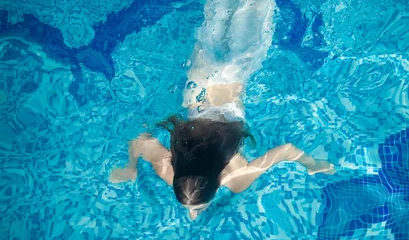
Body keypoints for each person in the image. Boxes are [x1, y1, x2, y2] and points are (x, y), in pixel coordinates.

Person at [110, 82, 335, 220]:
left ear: (217, 184)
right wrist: (131, 168)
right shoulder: (168, 168)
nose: (193, 212)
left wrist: (312, 164)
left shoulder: (237, 180)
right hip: (197, 87)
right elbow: (139, 140)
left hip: (231, 87)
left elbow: (286, 150)